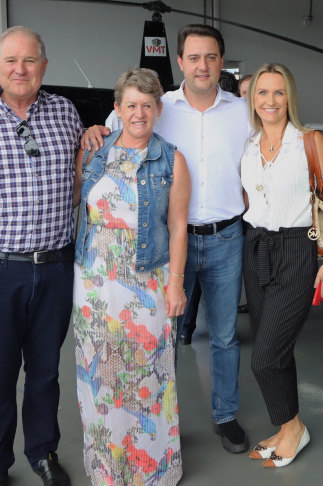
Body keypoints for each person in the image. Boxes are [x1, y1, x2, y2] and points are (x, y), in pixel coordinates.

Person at [84, 24, 253, 454]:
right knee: (163, 336)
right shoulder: (160, 105)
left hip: (225, 237)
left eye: (211, 57)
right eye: (193, 57)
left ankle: (225, 415)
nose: (202, 65)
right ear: (180, 62)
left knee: (225, 336)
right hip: (164, 244)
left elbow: (274, 141)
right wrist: (90, 131)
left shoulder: (242, 111)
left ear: (221, 62)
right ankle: (165, 420)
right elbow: (110, 132)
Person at [0, 26, 85, 486]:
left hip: (54, 267)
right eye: (10, 60)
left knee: (45, 371)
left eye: (29, 60)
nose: (20, 69)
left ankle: (42, 452)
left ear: (44, 67)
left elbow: (81, 176)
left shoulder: (66, 113)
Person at [73, 67, 190, 485]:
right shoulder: (94, 152)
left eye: (147, 105)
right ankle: (108, 464)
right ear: (117, 109)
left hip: (146, 280)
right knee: (100, 372)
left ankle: (150, 468)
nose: (138, 113)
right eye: (130, 105)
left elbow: (178, 226)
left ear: (158, 109)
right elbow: (76, 202)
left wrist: (175, 284)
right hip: (94, 281)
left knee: (147, 371)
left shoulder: (170, 158)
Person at [241, 63, 323, 468]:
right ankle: (286, 428)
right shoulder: (248, 145)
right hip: (256, 246)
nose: (270, 101)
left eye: (278, 93)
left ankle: (294, 427)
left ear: (290, 98)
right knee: (277, 349)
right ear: (253, 100)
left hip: (299, 249)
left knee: (264, 355)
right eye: (262, 93)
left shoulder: (310, 142)